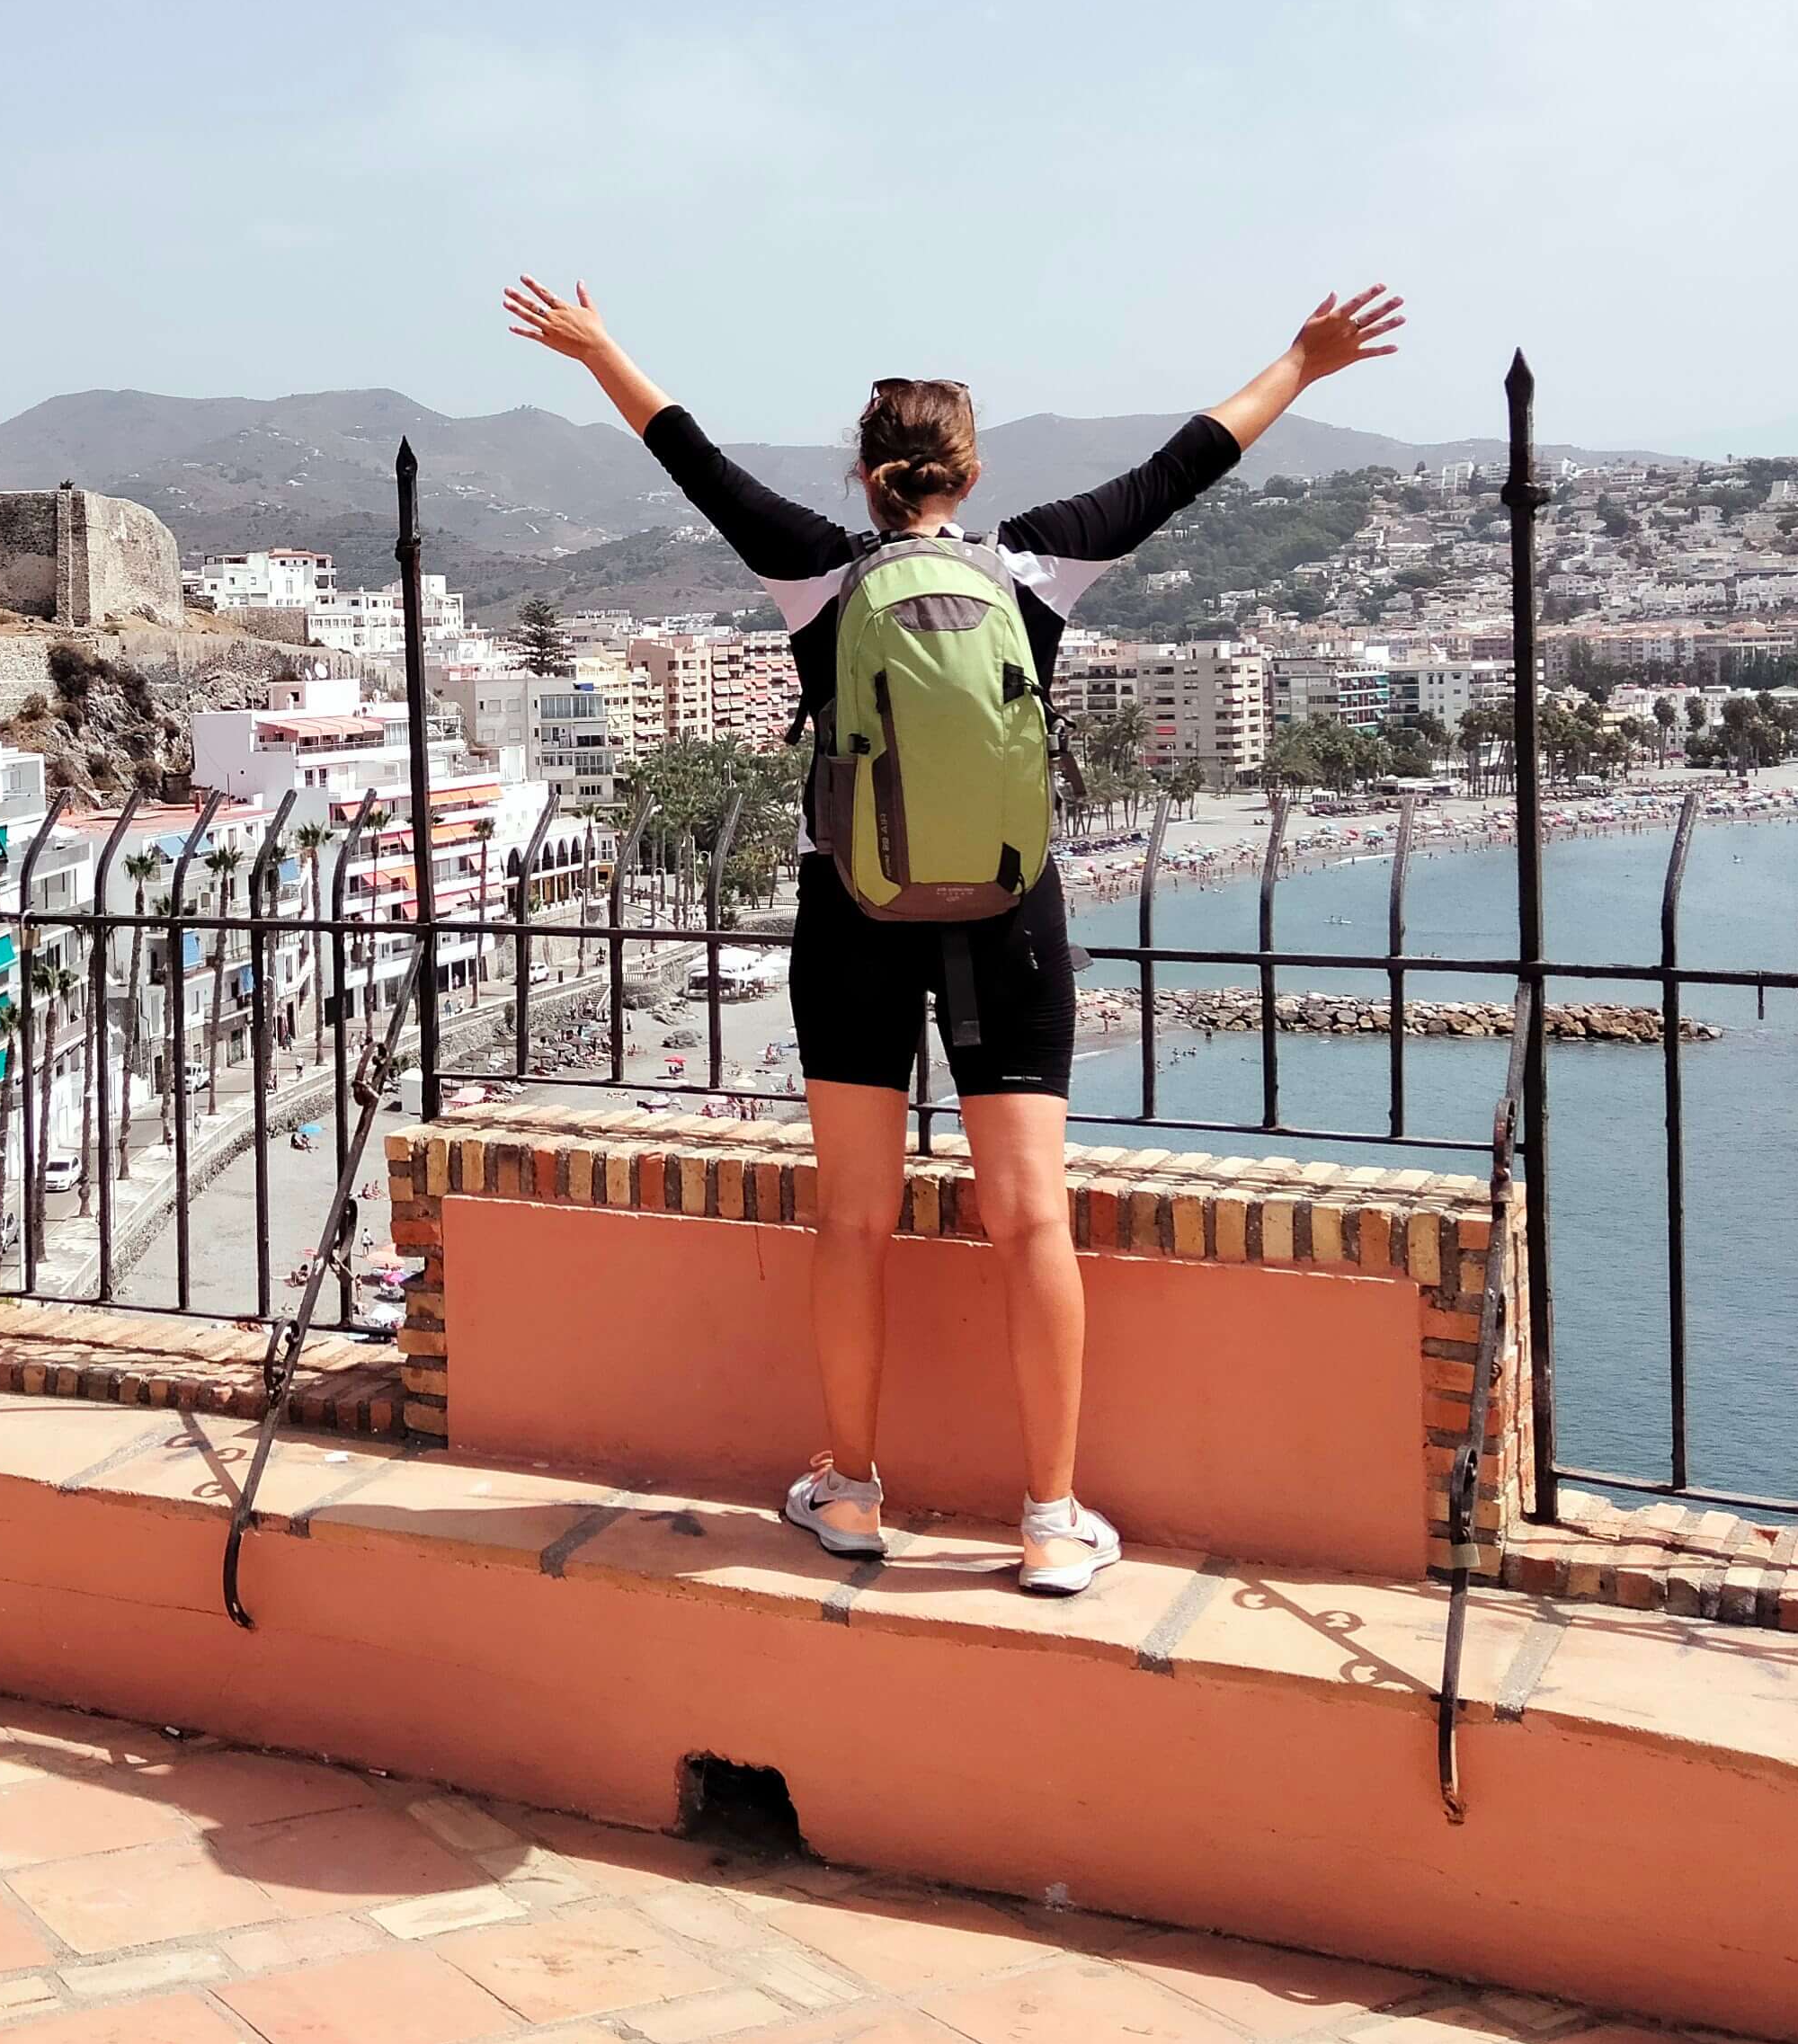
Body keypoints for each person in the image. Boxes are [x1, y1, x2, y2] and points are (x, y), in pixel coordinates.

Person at [502, 275, 1405, 1594]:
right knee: (1033, 1220)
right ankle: (1049, 1517)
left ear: (867, 478)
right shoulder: (1036, 563)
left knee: (856, 1220)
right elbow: (1185, 463)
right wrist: (1303, 362)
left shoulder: (818, 573)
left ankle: (853, 1492)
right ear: (966, 474)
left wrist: (598, 350)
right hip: (1008, 911)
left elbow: (688, 455)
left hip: (850, 910)